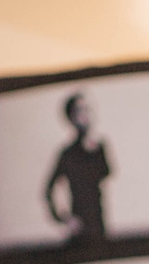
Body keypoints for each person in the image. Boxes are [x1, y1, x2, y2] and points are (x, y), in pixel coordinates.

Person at [45, 91, 111, 242]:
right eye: (81, 111)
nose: (86, 115)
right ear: (72, 118)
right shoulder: (67, 154)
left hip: (100, 224)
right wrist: (65, 219)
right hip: (80, 228)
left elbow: (107, 172)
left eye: (88, 109)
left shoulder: (99, 147)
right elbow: (48, 189)